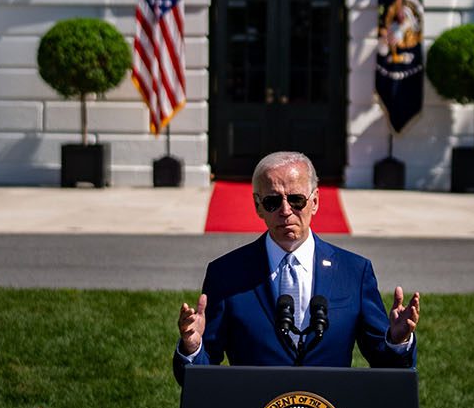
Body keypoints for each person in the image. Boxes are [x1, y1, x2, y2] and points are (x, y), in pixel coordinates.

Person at [174, 151, 420, 382]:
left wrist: (397, 340)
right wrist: (192, 347)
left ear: (315, 201)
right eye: (272, 201)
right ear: (257, 206)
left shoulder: (353, 272)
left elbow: (386, 366)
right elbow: (200, 377)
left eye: (296, 199)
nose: (285, 211)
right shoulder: (226, 274)